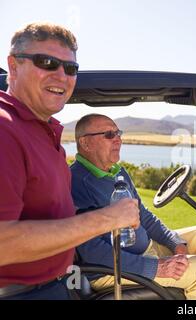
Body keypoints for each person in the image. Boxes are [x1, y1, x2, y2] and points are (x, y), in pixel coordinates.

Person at [0, 22, 140, 300]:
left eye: (71, 68)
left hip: (61, 283)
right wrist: (106, 219)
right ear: (14, 67)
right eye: (47, 62)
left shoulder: (44, 132)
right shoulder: (5, 129)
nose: (62, 76)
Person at [70, 113, 196, 300]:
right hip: (114, 270)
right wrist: (156, 267)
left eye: (118, 133)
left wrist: (174, 242)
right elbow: (92, 251)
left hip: (146, 249)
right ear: (85, 143)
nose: (118, 140)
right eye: (109, 135)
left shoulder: (117, 171)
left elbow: (144, 215)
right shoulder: (77, 182)